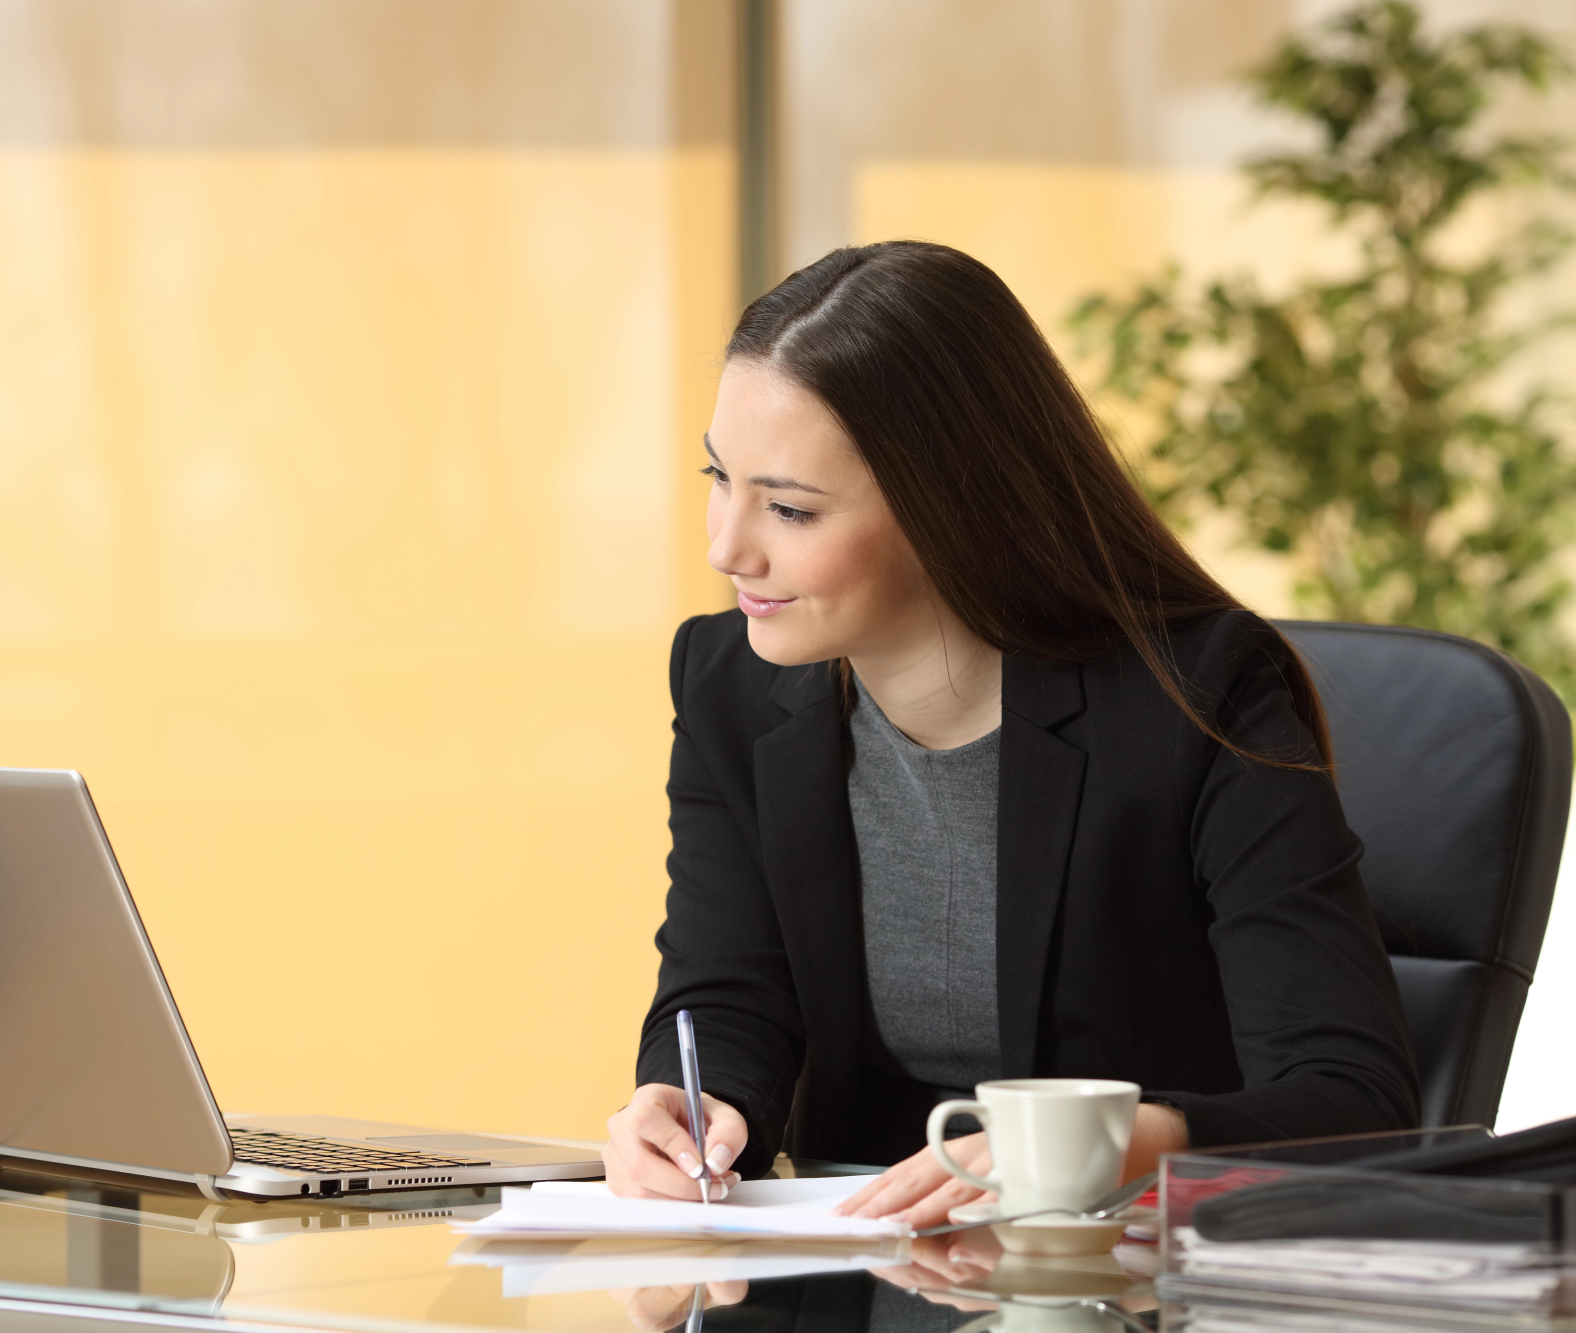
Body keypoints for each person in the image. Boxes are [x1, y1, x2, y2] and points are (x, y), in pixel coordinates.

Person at [602, 240, 1419, 1228]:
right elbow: (727, 993)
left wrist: (1106, 1147)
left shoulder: (1191, 695)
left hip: (1135, 1283)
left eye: (787, 507)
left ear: (945, 505)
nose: (725, 545)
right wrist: (692, 1110)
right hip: (864, 1265)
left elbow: (1354, 1101)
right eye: (717, 476)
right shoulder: (729, 682)